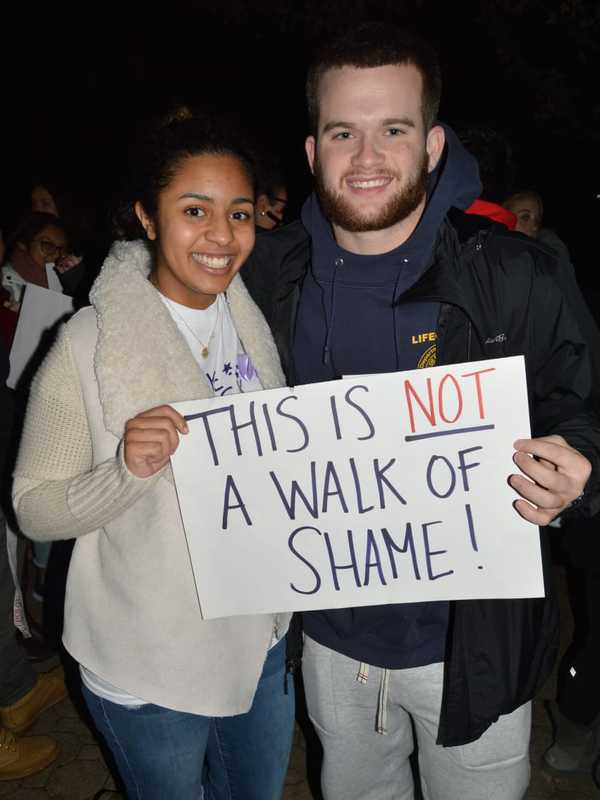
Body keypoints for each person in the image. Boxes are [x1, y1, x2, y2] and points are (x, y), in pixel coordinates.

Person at [242, 22, 600, 800]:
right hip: (333, 645)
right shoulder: (267, 278)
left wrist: (580, 466)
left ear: (432, 145)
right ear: (313, 152)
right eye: (343, 132)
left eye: (392, 130)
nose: (366, 158)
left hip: (474, 642)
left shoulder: (515, 274)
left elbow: (586, 404)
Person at [12, 116, 294, 799]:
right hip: (149, 660)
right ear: (146, 216)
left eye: (240, 213)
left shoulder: (257, 319)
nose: (222, 236)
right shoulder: (87, 342)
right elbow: (32, 508)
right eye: (194, 211)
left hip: (259, 638)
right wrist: (124, 473)